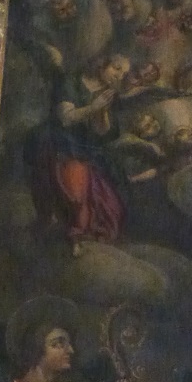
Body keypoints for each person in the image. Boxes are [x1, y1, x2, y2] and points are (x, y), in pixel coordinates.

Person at [28, 53, 132, 254]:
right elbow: (66, 118)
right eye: (117, 68)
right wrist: (94, 107)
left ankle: (81, 234)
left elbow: (102, 132)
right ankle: (74, 235)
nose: (119, 75)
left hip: (85, 150)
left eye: (123, 73)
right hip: (61, 144)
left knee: (113, 207)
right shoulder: (72, 82)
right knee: (76, 193)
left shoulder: (107, 94)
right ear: (102, 64)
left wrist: (102, 111)